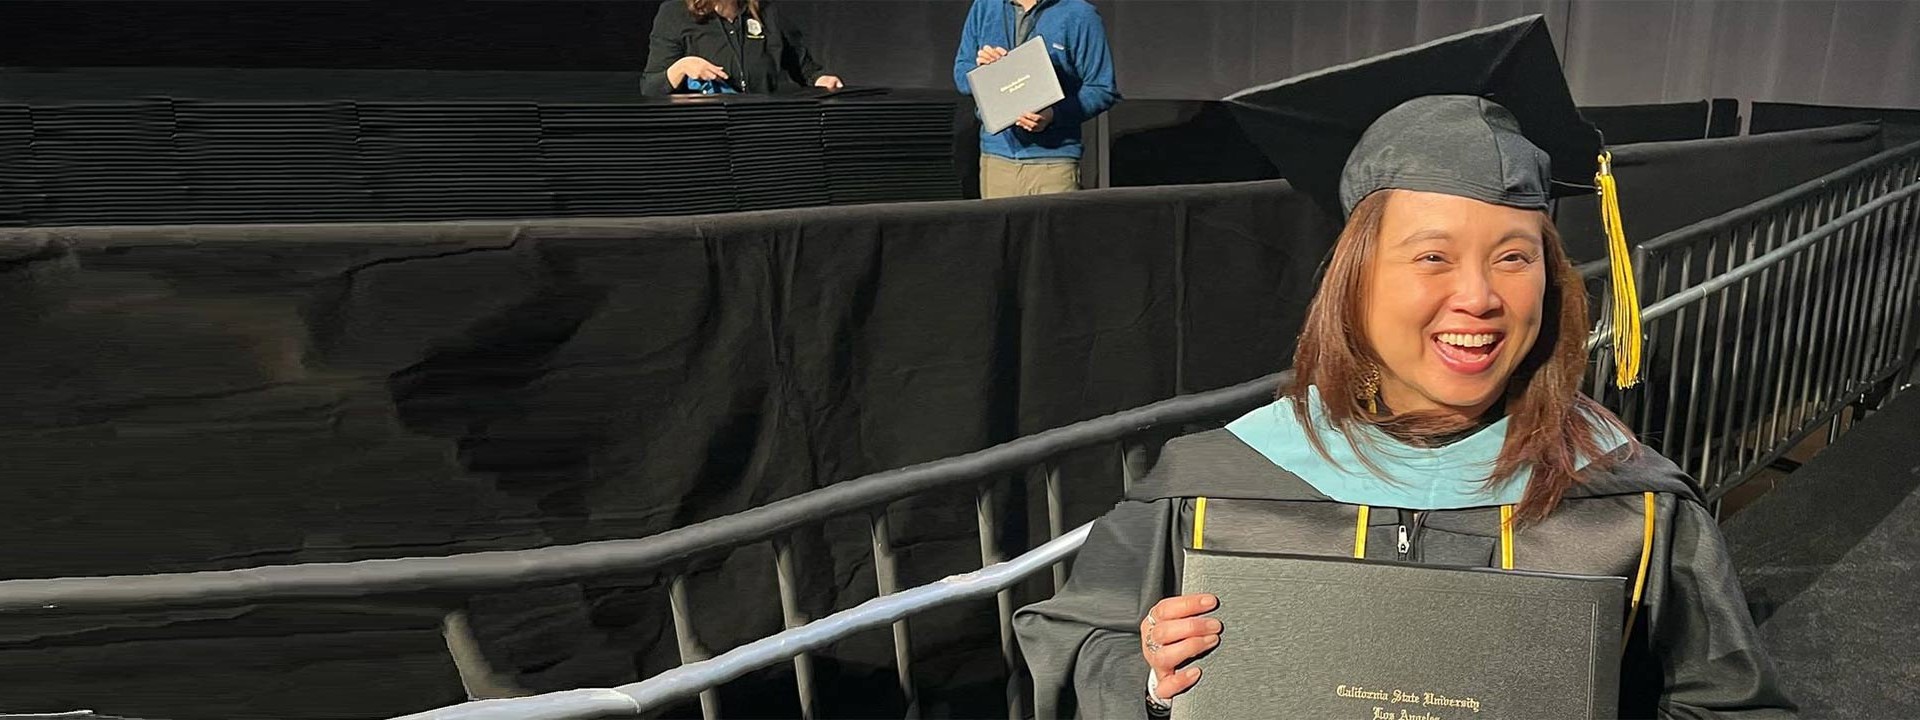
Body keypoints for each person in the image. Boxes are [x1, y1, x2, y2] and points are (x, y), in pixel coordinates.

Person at [1011, 16, 1795, 720]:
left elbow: (1729, 705)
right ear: (1355, 282)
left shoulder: (1633, 501)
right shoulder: (1215, 479)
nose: (1480, 296)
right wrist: (1154, 683)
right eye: (1432, 256)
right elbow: (1072, 643)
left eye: (1514, 257)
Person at [952, 0, 1118, 199]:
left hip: (1053, 162)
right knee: (1002, 230)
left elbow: (1102, 89)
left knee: (1054, 231)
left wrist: (1054, 114)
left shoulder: (1079, 13)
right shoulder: (985, 6)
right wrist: (983, 72)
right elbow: (962, 75)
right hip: (996, 159)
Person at [642, 0, 842, 97]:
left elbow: (804, 68)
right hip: (703, 143)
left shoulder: (767, 13)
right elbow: (650, 87)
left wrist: (821, 79)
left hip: (760, 137)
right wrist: (682, 67)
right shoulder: (675, 13)